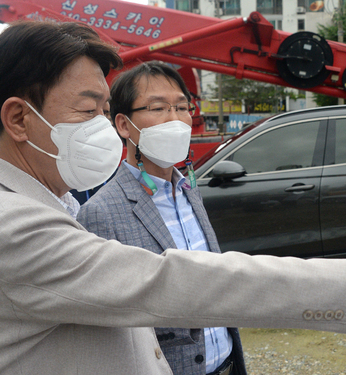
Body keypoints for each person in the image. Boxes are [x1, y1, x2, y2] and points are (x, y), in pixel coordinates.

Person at [0, 21, 346, 375]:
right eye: (88, 112)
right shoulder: (5, 225)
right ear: (17, 118)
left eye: (105, 110)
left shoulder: (49, 199)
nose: (103, 128)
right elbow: (171, 280)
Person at [76, 62, 246, 375]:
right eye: (158, 108)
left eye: (182, 107)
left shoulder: (187, 190)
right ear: (124, 126)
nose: (176, 120)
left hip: (227, 362)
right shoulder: (100, 212)